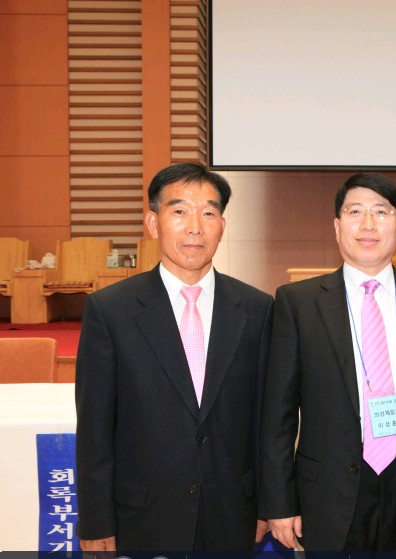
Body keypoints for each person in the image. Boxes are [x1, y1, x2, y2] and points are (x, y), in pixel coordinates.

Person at [260, 172, 396, 551]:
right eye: (355, 211)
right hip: (329, 490)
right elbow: (278, 414)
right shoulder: (299, 303)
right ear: (337, 226)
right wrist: (279, 501)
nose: (368, 224)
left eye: (381, 212)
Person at [75, 163, 273, 552]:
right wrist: (96, 521)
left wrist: (268, 504)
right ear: (153, 223)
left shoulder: (257, 308)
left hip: (232, 512)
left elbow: (265, 421)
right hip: (142, 516)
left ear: (222, 226)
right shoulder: (110, 310)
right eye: (180, 211)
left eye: (209, 213)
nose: (195, 227)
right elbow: (95, 427)